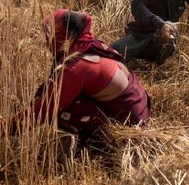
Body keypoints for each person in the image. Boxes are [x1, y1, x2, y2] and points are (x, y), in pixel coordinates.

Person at [10, 9, 151, 138]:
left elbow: (43, 111)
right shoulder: (91, 45)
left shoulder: (76, 68)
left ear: (64, 35)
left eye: (50, 32)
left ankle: (89, 142)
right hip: (140, 106)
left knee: (62, 108)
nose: (47, 39)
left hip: (130, 122)